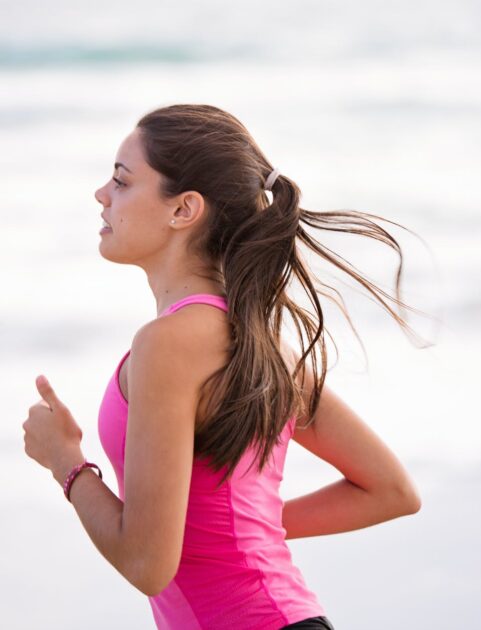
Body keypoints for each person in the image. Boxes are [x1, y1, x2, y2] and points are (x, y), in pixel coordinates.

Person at [22, 103, 425, 629]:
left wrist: (65, 462)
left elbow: (147, 565)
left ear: (183, 209)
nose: (102, 194)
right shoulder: (255, 340)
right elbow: (390, 491)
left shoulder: (168, 344)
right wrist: (240, 533)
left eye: (121, 181)